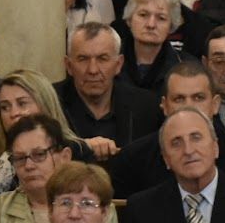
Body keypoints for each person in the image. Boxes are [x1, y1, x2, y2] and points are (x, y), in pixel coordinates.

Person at [57, 22, 162, 159]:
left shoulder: (147, 107)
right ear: (69, 66)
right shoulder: (49, 103)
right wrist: (80, 148)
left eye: (102, 59)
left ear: (118, 64)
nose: (93, 70)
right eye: (83, 59)